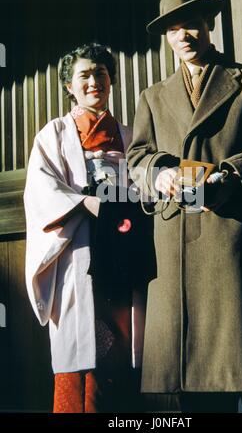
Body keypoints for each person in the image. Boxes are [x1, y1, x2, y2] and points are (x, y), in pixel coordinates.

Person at [126, 0, 242, 412]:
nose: (185, 35)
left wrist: (231, 174)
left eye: (193, 24)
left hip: (231, 245)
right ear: (166, 37)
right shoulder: (153, 97)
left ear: (209, 24)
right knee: (191, 395)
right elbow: (135, 157)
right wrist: (158, 174)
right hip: (174, 251)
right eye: (175, 29)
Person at [24, 42, 151, 413]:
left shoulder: (130, 136)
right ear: (69, 85)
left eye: (101, 73)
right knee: (82, 348)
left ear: (110, 80)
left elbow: (148, 183)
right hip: (80, 248)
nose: (94, 81)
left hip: (124, 252)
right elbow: (41, 189)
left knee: (124, 344)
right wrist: (84, 201)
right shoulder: (56, 134)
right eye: (84, 75)